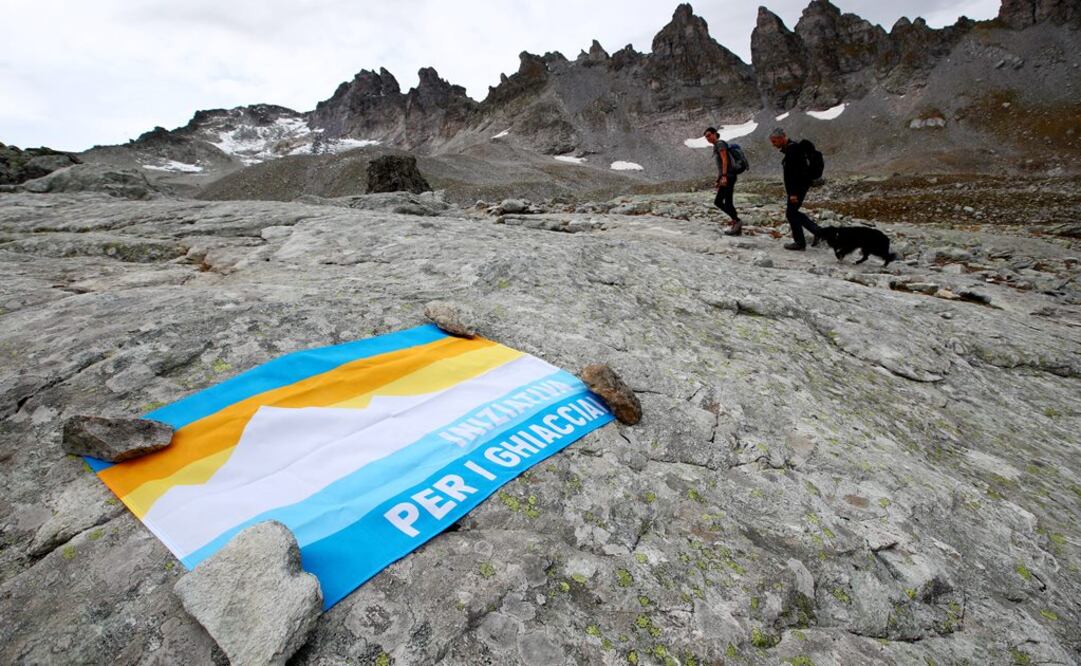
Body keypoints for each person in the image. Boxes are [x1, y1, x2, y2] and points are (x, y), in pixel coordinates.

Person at [769, 127, 822, 250]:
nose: (773, 145)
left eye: (774, 142)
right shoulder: (792, 148)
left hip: (798, 188)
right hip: (800, 186)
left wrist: (793, 193)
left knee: (791, 214)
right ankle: (817, 232)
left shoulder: (793, 150)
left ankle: (801, 242)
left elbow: (794, 174)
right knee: (792, 213)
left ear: (782, 138)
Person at [703, 127, 742, 236]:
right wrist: (718, 179)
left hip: (728, 176)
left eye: (709, 135)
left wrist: (724, 176)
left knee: (718, 201)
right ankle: (736, 225)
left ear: (715, 134)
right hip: (728, 176)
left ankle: (737, 221)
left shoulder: (720, 144)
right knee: (728, 202)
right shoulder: (717, 145)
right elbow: (721, 165)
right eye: (706, 137)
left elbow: (725, 160)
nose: (708, 138)